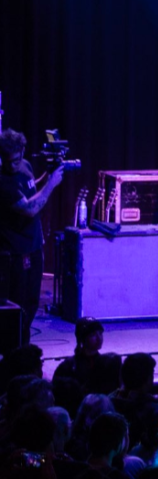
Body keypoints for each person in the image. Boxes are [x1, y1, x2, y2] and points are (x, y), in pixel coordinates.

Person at [0, 128, 69, 344]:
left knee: (31, 303)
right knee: (18, 304)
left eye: (16, 160)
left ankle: (23, 345)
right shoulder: (3, 181)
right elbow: (29, 208)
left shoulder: (26, 166)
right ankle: (16, 349)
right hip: (16, 252)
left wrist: (48, 175)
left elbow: (31, 190)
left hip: (33, 246)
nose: (12, 165)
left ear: (22, 152)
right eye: (8, 161)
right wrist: (52, 184)